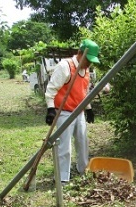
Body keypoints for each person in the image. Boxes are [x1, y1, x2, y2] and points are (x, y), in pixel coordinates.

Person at [44, 39, 100, 184]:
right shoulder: (65, 66)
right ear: (80, 53)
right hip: (64, 112)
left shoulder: (86, 70)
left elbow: (84, 92)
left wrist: (88, 109)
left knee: (83, 142)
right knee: (65, 146)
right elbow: (51, 90)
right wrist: (51, 109)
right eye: (88, 60)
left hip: (79, 112)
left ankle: (83, 170)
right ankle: (62, 178)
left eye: (91, 62)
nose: (89, 64)